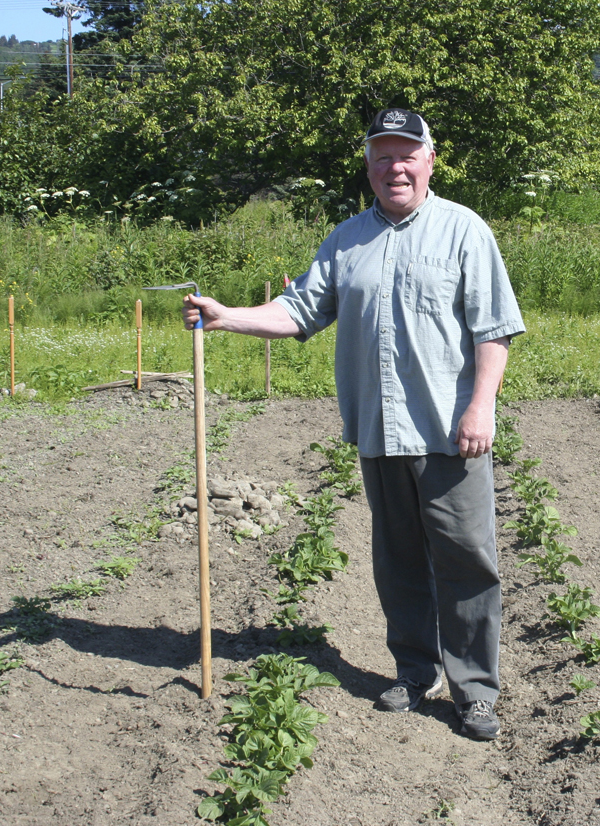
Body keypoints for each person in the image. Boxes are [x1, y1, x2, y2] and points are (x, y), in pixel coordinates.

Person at [181, 107, 525, 741]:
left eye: (406, 154)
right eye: (382, 156)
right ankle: (415, 670)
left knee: (467, 560)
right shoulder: (346, 240)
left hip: (450, 433)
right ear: (368, 167)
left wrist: (481, 406)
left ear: (428, 160)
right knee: (397, 561)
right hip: (378, 430)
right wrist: (226, 316)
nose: (395, 166)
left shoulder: (464, 231)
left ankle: (475, 689)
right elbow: (299, 311)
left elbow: (494, 328)